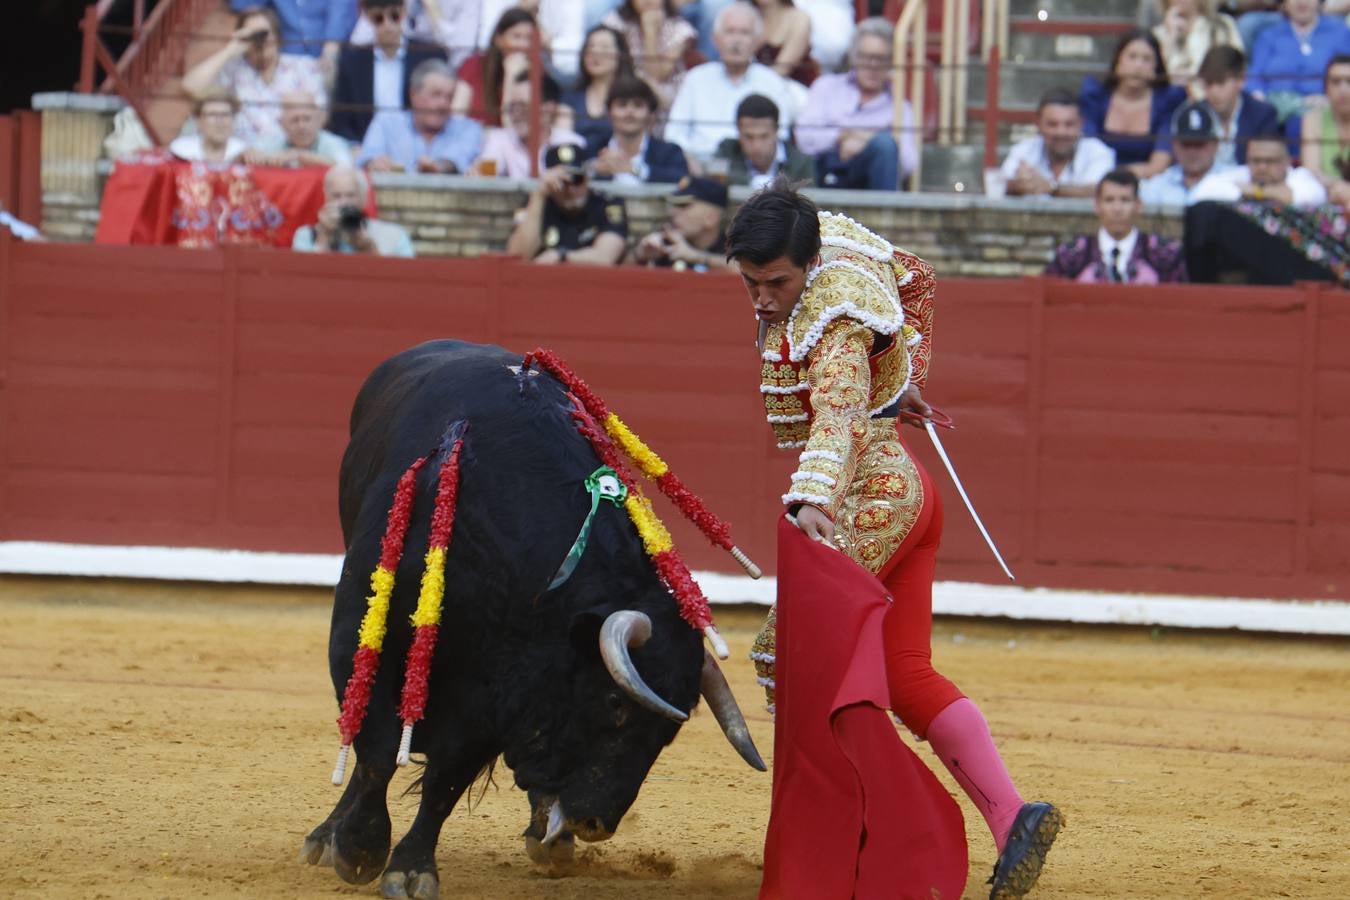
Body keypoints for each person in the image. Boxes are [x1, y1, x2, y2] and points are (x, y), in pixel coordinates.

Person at [727, 180, 1063, 900]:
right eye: (750, 282)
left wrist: (814, 494)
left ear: (807, 265)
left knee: (785, 655)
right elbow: (914, 275)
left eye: (775, 282)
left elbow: (839, 414)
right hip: (912, 495)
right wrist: (898, 378)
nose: (761, 297)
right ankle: (1012, 817)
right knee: (905, 675)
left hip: (872, 499)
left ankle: (869, 836)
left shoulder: (833, 313)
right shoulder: (840, 253)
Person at [794, 16, 917, 190]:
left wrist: (868, 140)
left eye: (881, 58)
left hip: (873, 181)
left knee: (885, 146)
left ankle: (881, 215)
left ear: (891, 62)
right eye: (866, 57)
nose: (873, 65)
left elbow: (909, 163)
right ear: (853, 58)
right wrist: (842, 137)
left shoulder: (900, 107)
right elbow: (804, 137)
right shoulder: (827, 86)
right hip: (825, 173)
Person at [665, 2, 796, 161]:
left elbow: (780, 136)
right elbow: (674, 134)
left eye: (744, 33)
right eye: (730, 32)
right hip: (700, 167)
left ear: (757, 41)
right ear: (715, 39)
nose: (736, 40)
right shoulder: (696, 79)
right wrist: (691, 161)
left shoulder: (772, 82)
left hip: (751, 170)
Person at [182, 6, 327, 147]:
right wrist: (231, 49)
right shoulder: (233, 69)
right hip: (243, 154)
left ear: (277, 37)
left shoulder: (303, 67)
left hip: (290, 153)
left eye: (264, 34)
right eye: (254, 35)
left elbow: (321, 116)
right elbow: (190, 87)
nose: (260, 41)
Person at [329, 0, 448, 143]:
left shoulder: (429, 54)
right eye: (378, 18)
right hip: (366, 149)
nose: (387, 25)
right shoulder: (352, 60)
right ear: (367, 17)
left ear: (404, 12)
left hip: (420, 147)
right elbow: (341, 120)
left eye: (394, 16)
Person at [1079, 29, 1188, 177]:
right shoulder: (1095, 96)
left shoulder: (1168, 101)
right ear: (1118, 61)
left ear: (1156, 67)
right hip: (1093, 180)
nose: (1138, 66)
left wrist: (1116, 175)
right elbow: (1085, 152)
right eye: (1132, 57)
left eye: (1146, 59)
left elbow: (1158, 165)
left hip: (1147, 182)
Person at [1047, 169, 1188, 282]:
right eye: (1109, 200)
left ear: (1138, 205)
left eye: (1125, 200)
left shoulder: (1166, 253)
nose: (1117, 209)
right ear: (1097, 206)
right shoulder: (1070, 254)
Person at [505, 143, 629, 264]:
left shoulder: (607, 203)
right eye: (563, 181)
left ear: (587, 178)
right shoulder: (537, 202)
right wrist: (539, 195)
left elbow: (605, 257)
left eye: (577, 180)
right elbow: (518, 255)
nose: (571, 189)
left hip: (592, 282)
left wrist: (561, 256)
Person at [358, 59, 484, 174]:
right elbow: (366, 160)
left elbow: (456, 160)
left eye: (449, 97)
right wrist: (375, 163)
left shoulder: (468, 129)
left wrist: (437, 168)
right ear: (413, 94)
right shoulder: (386, 124)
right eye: (436, 95)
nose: (443, 104)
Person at [1000, 87, 1117, 197]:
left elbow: (1100, 191)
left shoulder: (1097, 151)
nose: (1061, 132)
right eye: (1052, 124)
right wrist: (1017, 185)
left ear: (1081, 124)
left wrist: (1052, 188)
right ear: (1038, 124)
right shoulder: (1024, 149)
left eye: (1069, 124)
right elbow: (998, 185)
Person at [1247, 0, 1350, 121]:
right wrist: (1261, 102)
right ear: (1285, 3)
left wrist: (1330, 99)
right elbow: (1254, 79)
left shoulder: (1340, 33)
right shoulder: (1268, 36)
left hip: (1325, 111)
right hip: (1275, 113)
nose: (1301, 2)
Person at [478, 71, 587, 178]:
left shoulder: (571, 143)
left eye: (523, 106)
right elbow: (486, 173)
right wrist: (481, 172)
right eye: (512, 106)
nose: (516, 113)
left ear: (549, 109)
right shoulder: (499, 139)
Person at [293, 163, 415, 257]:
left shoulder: (394, 235)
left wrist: (368, 248)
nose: (344, 203)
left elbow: (402, 279)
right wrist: (323, 237)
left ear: (364, 198)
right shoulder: (306, 235)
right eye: (336, 196)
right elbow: (304, 280)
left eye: (351, 195)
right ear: (326, 198)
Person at [584, 75, 690, 183]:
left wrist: (635, 169)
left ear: (651, 115)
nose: (630, 112)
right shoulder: (592, 148)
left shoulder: (669, 152)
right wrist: (595, 168)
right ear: (609, 113)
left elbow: (681, 180)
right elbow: (575, 169)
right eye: (622, 105)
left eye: (638, 105)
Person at [601, 0, 701, 115]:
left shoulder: (680, 28)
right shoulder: (614, 22)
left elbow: (656, 76)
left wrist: (650, 30)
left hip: (665, 99)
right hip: (623, 90)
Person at [1190, 129, 1328, 204]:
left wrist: (1255, 191)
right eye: (1256, 161)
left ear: (1287, 162)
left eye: (1270, 161)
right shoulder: (1241, 174)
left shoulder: (1301, 176)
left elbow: (1305, 197)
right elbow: (1200, 192)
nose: (1262, 167)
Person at [1195, 45, 1279, 165]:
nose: (1214, 92)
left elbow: (1268, 164)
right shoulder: (1195, 115)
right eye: (1208, 83)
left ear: (1241, 79)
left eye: (1221, 83)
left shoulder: (1262, 115)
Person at [453, 8, 538, 127]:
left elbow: (512, 130)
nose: (523, 45)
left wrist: (511, 77)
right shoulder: (473, 65)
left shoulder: (536, 74)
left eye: (529, 38)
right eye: (517, 37)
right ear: (499, 39)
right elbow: (456, 118)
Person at [227, 0, 358, 76]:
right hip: (284, 59)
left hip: (326, 57)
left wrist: (331, 48)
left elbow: (339, 15)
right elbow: (243, 6)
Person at [714, 93, 815, 187]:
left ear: (776, 131)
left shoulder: (801, 162)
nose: (756, 146)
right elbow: (715, 184)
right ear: (738, 132)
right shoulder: (726, 150)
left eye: (764, 136)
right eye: (749, 137)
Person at [1141, 100, 1233, 204]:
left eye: (1199, 145)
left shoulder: (1233, 179)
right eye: (1186, 144)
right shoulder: (1156, 187)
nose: (1192, 152)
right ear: (1174, 145)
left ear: (1215, 145)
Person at [561, 25, 638, 149]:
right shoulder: (571, 97)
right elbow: (562, 140)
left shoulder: (634, 95)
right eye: (590, 47)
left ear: (620, 55)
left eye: (604, 47)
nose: (595, 53)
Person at [632, 175, 731, 269]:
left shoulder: (733, 247)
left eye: (683, 205)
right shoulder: (665, 244)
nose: (672, 212)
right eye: (674, 205)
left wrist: (697, 257)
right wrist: (640, 256)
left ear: (711, 218)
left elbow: (742, 270)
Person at [244, 90, 353, 166]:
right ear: (282, 124)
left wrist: (298, 155)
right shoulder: (272, 142)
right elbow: (252, 154)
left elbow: (344, 166)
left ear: (319, 120)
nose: (301, 126)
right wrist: (252, 156)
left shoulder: (332, 143)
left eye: (307, 119)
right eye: (295, 120)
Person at [1151, 0, 1243, 87]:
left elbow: (1237, 66)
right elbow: (1158, 75)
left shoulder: (1222, 26)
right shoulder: (1156, 34)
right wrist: (1171, 38)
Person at [1300, 54, 1350, 204]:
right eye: (1336, 82)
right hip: (1324, 196)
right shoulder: (1313, 119)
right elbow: (1311, 171)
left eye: (1349, 81)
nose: (1343, 89)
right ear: (1326, 88)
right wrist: (1341, 188)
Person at [169, 90, 248, 163]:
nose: (220, 121)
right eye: (212, 114)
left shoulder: (243, 151)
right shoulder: (180, 150)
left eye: (225, 115)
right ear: (198, 121)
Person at [752, 0, 818, 84]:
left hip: (796, 88)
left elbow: (782, 69)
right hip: (754, 87)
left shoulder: (798, 19)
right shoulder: (747, 18)